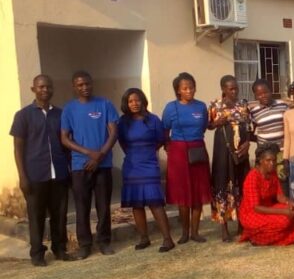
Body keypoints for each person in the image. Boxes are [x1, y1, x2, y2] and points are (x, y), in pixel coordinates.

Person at [10, 74, 72, 266]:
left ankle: (60, 249)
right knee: (36, 217)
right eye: (41, 87)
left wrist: (70, 170)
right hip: (35, 175)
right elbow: (18, 148)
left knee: (59, 215)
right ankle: (37, 254)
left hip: (59, 173)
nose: (45, 90)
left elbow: (67, 144)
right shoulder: (23, 115)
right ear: (33, 89)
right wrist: (22, 176)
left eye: (48, 87)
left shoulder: (60, 114)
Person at [61, 71, 118, 259]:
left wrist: (99, 155)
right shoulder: (69, 109)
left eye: (87, 83)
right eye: (80, 85)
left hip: (103, 164)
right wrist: (88, 153)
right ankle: (85, 245)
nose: (84, 87)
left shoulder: (105, 104)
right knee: (82, 207)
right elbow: (65, 139)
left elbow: (113, 133)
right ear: (74, 87)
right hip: (80, 166)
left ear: (92, 84)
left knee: (103, 206)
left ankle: (104, 241)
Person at [118, 88, 175, 253]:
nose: (134, 104)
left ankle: (167, 239)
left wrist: (147, 151)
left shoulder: (153, 120)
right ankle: (144, 238)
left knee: (155, 202)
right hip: (131, 166)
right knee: (136, 204)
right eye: (130, 101)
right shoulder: (123, 122)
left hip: (149, 164)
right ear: (126, 104)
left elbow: (161, 140)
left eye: (137, 100)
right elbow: (122, 142)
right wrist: (134, 154)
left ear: (143, 101)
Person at [162, 72, 211, 244]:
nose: (189, 90)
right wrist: (169, 147)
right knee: (182, 193)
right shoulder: (170, 108)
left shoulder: (201, 106)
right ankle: (184, 233)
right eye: (185, 88)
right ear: (178, 90)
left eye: (191, 87)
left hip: (197, 150)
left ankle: (195, 232)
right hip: (178, 153)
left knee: (198, 191)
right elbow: (165, 130)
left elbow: (203, 127)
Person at [208, 75, 251, 242]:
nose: (234, 91)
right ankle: (224, 227)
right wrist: (217, 123)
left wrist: (247, 143)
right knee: (222, 183)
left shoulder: (243, 104)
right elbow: (208, 126)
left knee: (241, 184)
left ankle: (242, 223)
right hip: (222, 151)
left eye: (236, 88)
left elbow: (249, 127)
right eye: (230, 88)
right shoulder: (215, 105)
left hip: (240, 151)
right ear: (223, 89)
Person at [239, 143, 294, 246]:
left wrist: (289, 202)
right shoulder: (253, 177)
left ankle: (264, 235)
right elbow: (256, 207)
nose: (272, 163)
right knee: (284, 221)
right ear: (260, 161)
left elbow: (279, 196)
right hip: (252, 213)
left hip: (268, 208)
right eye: (268, 160)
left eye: (274, 160)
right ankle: (256, 237)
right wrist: (283, 211)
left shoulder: (272, 173)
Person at [249, 78, 289, 192]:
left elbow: (288, 126)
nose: (263, 96)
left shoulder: (282, 105)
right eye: (259, 94)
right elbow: (252, 132)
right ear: (256, 96)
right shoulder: (254, 112)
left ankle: (283, 202)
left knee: (282, 181)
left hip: (281, 151)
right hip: (265, 154)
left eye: (266, 92)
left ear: (271, 91)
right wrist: (263, 143)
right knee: (266, 183)